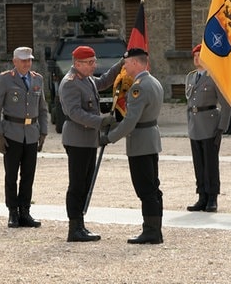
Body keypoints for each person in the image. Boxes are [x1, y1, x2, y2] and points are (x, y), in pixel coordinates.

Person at [59, 45, 122, 242]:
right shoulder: (70, 83)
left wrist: (122, 63)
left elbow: (103, 82)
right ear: (77, 64)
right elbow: (74, 113)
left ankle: (80, 225)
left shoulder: (86, 79)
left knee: (85, 182)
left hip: (88, 140)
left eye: (94, 61)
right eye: (90, 63)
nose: (94, 66)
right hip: (77, 139)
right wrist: (101, 121)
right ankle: (74, 228)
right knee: (77, 184)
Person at [100, 48, 164, 244]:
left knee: (145, 189)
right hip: (150, 139)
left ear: (136, 63)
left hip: (140, 142)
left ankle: (151, 231)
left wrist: (109, 138)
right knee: (153, 187)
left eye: (126, 63)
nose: (124, 67)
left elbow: (130, 122)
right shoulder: (154, 82)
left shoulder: (139, 87)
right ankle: (155, 229)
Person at [0, 47, 48, 228]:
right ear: (14, 61)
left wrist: (43, 132)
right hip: (12, 133)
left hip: (31, 133)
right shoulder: (5, 79)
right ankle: (12, 212)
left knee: (28, 175)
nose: (26, 63)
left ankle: (25, 211)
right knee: (11, 175)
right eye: (23, 60)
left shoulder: (37, 78)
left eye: (29, 60)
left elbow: (43, 108)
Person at [185, 44, 231, 213]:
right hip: (195, 126)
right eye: (195, 55)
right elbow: (189, 105)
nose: (197, 58)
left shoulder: (214, 77)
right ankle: (202, 196)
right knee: (199, 164)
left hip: (210, 124)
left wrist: (221, 128)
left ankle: (212, 197)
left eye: (200, 55)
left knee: (211, 164)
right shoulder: (191, 77)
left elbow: (226, 104)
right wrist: (189, 124)